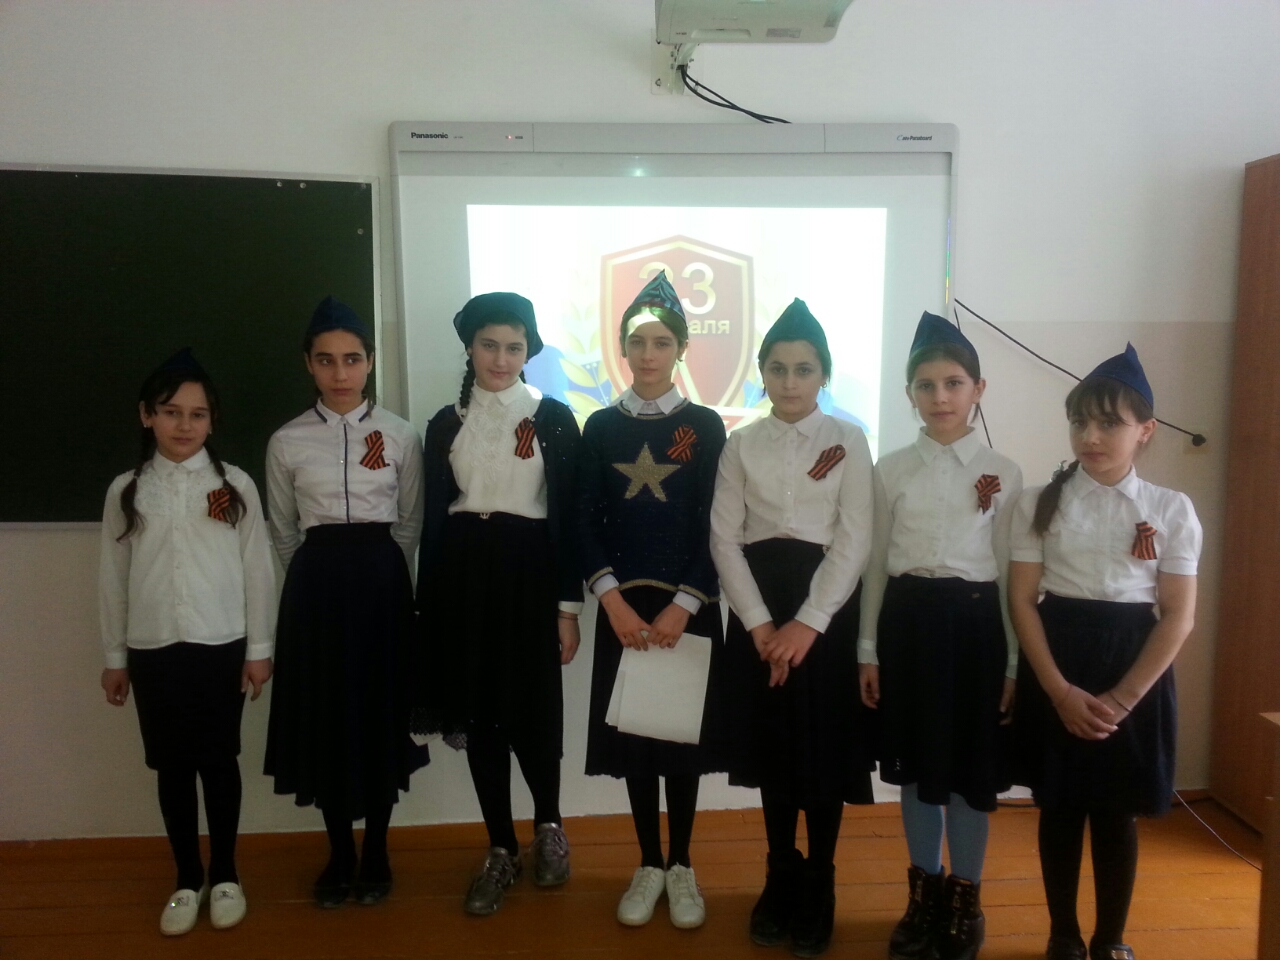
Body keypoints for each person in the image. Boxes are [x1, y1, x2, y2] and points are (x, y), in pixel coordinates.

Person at [1008, 344, 1200, 960]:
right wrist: (1057, 690)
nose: (1090, 436)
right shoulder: (1039, 501)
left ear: (1145, 431)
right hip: (1058, 658)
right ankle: (1063, 935)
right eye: (1079, 422)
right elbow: (1022, 602)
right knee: (1060, 809)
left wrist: (1122, 699)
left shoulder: (1171, 510)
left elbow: (1178, 615)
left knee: (1116, 815)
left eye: (1108, 423)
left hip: (1133, 668)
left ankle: (1110, 938)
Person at [711, 299, 875, 958]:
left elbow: (854, 539)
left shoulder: (848, 439)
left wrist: (806, 626)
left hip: (824, 612)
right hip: (759, 606)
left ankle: (820, 882)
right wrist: (759, 627)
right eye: (777, 368)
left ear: (823, 373)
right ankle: (780, 874)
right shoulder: (740, 444)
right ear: (762, 372)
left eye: (803, 369)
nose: (789, 381)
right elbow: (724, 539)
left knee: (822, 756)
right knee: (774, 753)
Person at [857, 312, 1023, 960]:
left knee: (968, 774)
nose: (941, 397)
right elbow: (875, 563)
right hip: (907, 625)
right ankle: (923, 892)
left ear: (979, 389)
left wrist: (1013, 661)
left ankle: (965, 898)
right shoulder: (891, 469)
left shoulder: (1004, 471)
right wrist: (867, 649)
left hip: (976, 631)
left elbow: (1008, 571)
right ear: (909, 394)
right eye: (925, 385)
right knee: (917, 769)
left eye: (954, 383)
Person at [415, 292, 583, 915]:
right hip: (463, 580)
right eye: (490, 345)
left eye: (514, 347)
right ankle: (500, 846)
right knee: (480, 714)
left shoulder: (553, 417)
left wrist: (567, 610)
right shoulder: (445, 423)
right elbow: (434, 520)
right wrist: (429, 606)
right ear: (470, 347)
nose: (501, 358)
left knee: (532, 712)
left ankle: (549, 827)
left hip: (528, 576)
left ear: (528, 351)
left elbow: (568, 521)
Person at [99, 348, 276, 936]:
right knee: (172, 767)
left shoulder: (235, 485)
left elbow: (257, 571)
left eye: (197, 414)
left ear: (212, 420)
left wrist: (259, 649)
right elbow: (112, 579)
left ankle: (225, 874)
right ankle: (186, 878)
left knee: (218, 762)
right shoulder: (127, 490)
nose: (184, 425)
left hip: (220, 646)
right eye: (171, 412)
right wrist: (115, 658)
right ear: (146, 415)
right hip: (152, 650)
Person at [263, 295, 426, 909]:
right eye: (326, 360)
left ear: (370, 361)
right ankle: (339, 851)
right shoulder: (286, 441)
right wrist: (319, 578)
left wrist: (383, 574)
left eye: (352, 359)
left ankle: (377, 848)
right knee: (327, 717)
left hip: (383, 584)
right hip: (316, 591)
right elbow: (283, 530)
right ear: (308, 364)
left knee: (379, 712)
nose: (340, 373)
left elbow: (410, 522)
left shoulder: (401, 434)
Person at [580, 271, 728, 930]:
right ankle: (647, 862)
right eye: (637, 342)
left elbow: (716, 524)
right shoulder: (599, 427)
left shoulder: (704, 426)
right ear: (622, 347)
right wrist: (612, 603)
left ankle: (682, 864)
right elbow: (583, 521)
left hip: (684, 612)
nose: (648, 354)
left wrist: (684, 604)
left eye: (662, 342)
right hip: (624, 611)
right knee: (637, 742)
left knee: (679, 745)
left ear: (681, 349)